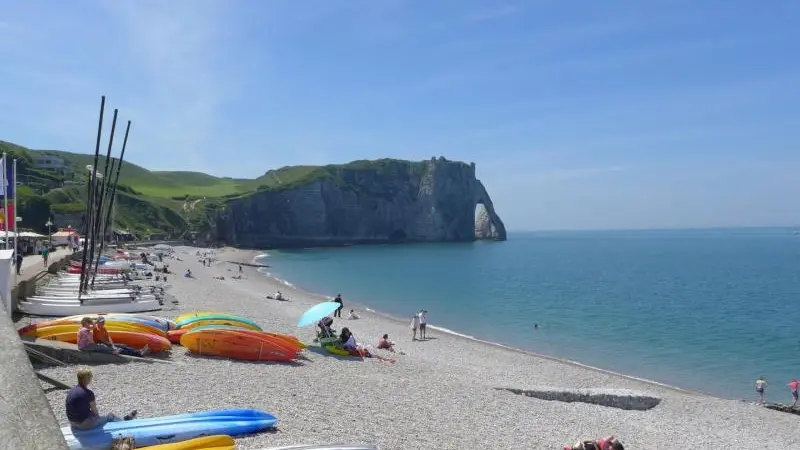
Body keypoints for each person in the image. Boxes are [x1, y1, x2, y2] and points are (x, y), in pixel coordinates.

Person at [66, 368, 137, 429]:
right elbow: (95, 411)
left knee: (92, 415)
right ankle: (125, 422)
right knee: (110, 416)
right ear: (87, 379)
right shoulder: (88, 393)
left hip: (72, 423)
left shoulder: (71, 390)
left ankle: (122, 419)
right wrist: (98, 419)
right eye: (91, 376)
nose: (91, 378)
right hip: (83, 425)